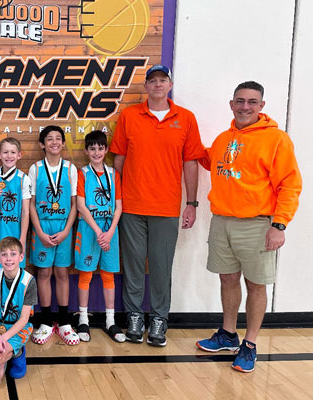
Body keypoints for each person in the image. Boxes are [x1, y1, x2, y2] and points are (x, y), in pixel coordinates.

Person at [196, 81, 302, 372]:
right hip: (222, 221)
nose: (245, 107)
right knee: (227, 279)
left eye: (252, 102)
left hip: (257, 224)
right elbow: (207, 159)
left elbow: (290, 184)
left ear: (261, 106)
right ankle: (228, 334)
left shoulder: (276, 139)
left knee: (256, 285)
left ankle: (250, 344)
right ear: (231, 104)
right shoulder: (223, 139)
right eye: (240, 101)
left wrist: (279, 224)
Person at [110, 64, 204, 347]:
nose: (158, 84)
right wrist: (117, 199)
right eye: (153, 80)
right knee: (133, 266)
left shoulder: (185, 118)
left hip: (166, 207)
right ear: (146, 86)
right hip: (132, 206)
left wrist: (191, 203)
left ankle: (159, 319)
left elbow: (191, 163)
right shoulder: (129, 116)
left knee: (161, 267)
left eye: (163, 80)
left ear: (170, 85)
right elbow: (119, 159)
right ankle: (135, 317)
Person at [29, 125, 79, 346]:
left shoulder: (70, 168)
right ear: (42, 144)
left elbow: (75, 204)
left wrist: (67, 230)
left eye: (58, 138)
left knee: (61, 273)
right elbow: (30, 204)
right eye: (49, 139)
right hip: (42, 227)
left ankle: (65, 322)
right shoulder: (35, 168)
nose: (54, 142)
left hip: (63, 227)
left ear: (63, 143)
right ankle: (47, 322)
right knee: (44, 272)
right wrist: (39, 232)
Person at [75, 130, 125, 343]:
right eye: (92, 148)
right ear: (86, 151)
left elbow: (119, 206)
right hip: (89, 229)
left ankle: (110, 321)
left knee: (108, 275)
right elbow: (80, 204)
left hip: (110, 230)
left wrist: (110, 231)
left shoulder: (114, 174)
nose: (96, 152)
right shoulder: (82, 173)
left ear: (106, 150)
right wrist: (98, 232)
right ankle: (83, 319)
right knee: (85, 274)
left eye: (100, 148)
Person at [0, 237, 36, 387]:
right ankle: (6, 355)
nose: (8, 259)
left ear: (21, 257)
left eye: (13, 254)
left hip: (18, 328)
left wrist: (3, 338)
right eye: (4, 254)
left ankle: (17, 353)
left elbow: (24, 318)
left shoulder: (29, 281)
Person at [0, 137, 31, 269]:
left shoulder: (24, 179)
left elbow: (26, 212)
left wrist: (22, 239)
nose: (9, 156)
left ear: (19, 155)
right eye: (5, 152)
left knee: (15, 274)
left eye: (13, 152)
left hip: (16, 236)